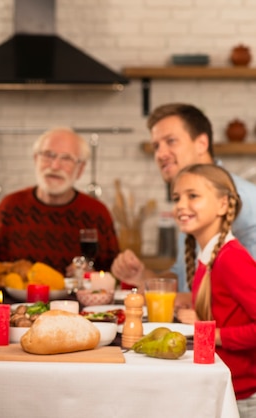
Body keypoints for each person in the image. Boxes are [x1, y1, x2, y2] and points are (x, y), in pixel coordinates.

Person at [111, 103, 256, 307]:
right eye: (156, 146)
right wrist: (143, 275)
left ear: (201, 143)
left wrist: (182, 300)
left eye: (171, 141)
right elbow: (184, 277)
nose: (161, 154)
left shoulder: (246, 199)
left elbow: (248, 289)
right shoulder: (187, 205)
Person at [171, 163, 256, 416]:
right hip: (222, 387)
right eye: (176, 197)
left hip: (241, 398)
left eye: (193, 195)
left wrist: (210, 332)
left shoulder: (231, 259)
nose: (181, 205)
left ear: (222, 204)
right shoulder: (211, 256)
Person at [0, 127, 120, 275]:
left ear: (80, 168)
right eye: (48, 155)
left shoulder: (97, 213)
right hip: (13, 298)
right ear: (35, 159)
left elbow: (114, 276)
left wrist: (92, 276)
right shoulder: (10, 206)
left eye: (66, 158)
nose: (55, 166)